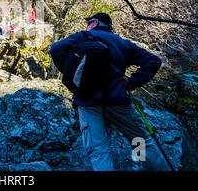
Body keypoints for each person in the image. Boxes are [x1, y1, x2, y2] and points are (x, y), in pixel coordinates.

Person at [49, 12, 171, 171]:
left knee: (99, 150)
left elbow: (55, 49)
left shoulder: (82, 37)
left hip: (88, 101)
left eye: (89, 23)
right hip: (117, 99)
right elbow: (153, 61)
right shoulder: (123, 44)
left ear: (94, 23)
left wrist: (73, 74)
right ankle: (146, 166)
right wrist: (132, 81)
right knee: (139, 141)